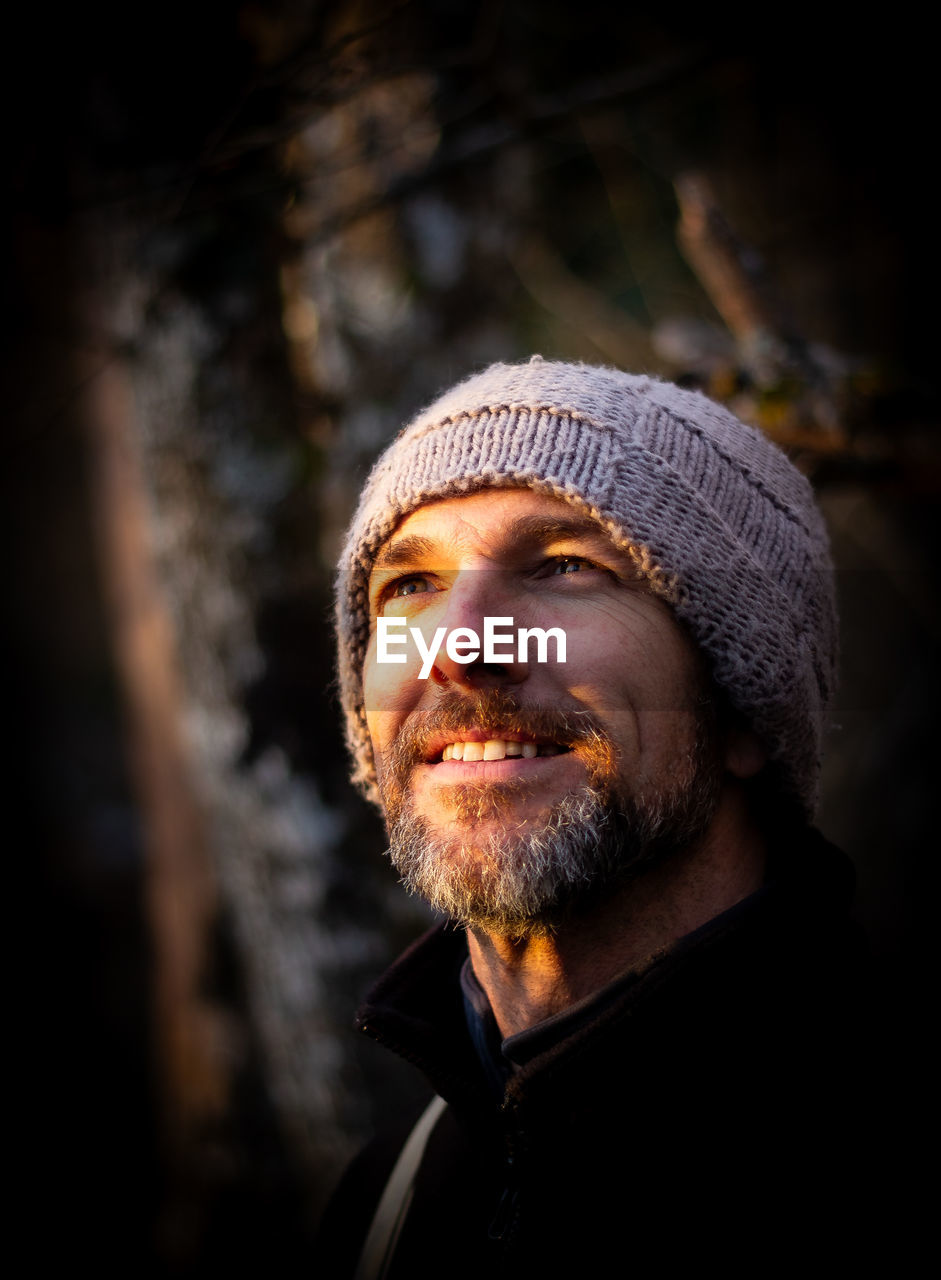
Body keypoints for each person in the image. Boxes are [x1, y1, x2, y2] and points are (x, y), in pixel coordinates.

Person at [318, 357, 904, 1278]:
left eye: (563, 566)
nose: (460, 644)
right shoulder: (381, 1205)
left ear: (742, 709)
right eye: (410, 587)